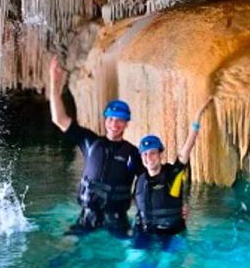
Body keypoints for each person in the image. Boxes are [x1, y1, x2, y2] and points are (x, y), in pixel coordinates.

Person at [48, 56, 143, 236]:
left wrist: (176, 207)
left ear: (126, 123)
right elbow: (59, 119)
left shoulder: (132, 153)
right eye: (111, 119)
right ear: (106, 120)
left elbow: (150, 181)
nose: (115, 124)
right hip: (88, 216)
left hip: (117, 219)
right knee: (66, 251)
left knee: (130, 257)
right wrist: (54, 83)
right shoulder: (90, 142)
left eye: (120, 121)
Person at [133, 97, 213, 246]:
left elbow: (185, 152)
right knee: (134, 263)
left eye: (152, 153)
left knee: (165, 264)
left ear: (160, 154)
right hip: (146, 233)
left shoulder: (172, 174)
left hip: (172, 235)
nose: (148, 157)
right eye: (145, 154)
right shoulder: (141, 180)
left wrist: (196, 120)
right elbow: (138, 207)